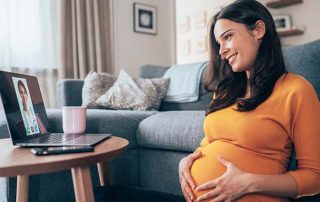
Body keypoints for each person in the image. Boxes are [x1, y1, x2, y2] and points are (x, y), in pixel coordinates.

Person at [178, 0, 320, 202]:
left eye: (227, 37)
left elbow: (315, 177)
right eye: (219, 43)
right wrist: (186, 161)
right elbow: (209, 143)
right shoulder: (225, 91)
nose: (221, 51)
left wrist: (248, 183)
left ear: (258, 30)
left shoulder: (296, 90)